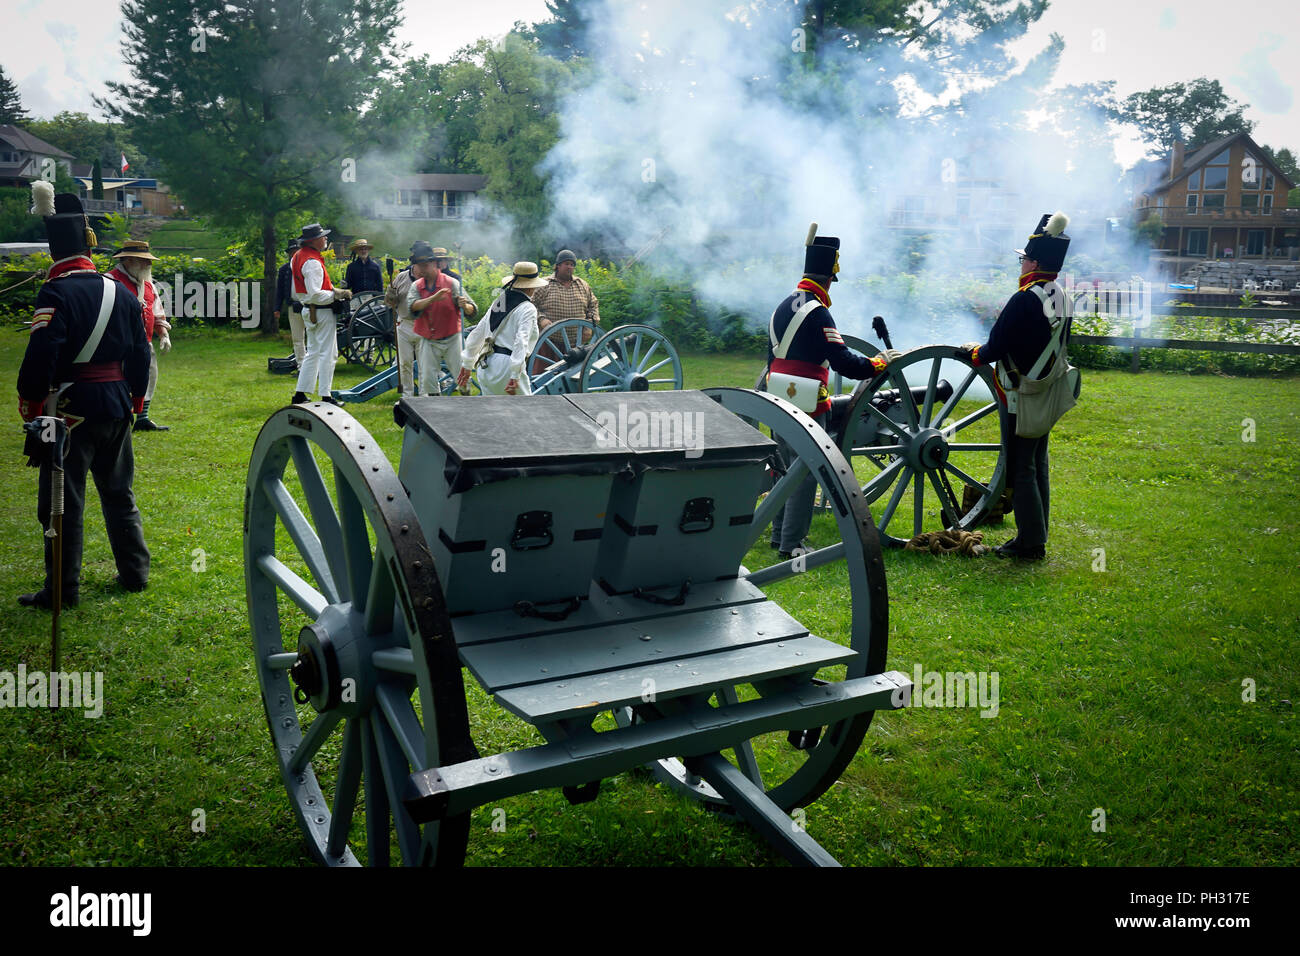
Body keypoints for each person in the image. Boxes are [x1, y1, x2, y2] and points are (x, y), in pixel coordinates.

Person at [16, 184, 151, 608]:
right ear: (88, 250)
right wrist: (135, 402)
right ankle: (135, 574)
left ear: (56, 253)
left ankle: (62, 591)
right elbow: (140, 354)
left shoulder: (56, 292)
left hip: (70, 410)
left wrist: (32, 401)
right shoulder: (123, 292)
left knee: (62, 503)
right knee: (119, 494)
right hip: (116, 404)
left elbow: (42, 354)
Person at [766, 225, 900, 559]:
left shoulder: (785, 305)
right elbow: (843, 361)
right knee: (806, 471)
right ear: (828, 279)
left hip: (776, 394)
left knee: (785, 467)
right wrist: (878, 365)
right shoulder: (817, 310)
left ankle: (778, 534)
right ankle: (792, 544)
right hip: (808, 400)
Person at [957, 212, 1072, 561]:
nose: (1021, 264)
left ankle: (1030, 544)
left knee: (1021, 468)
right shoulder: (1060, 296)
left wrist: (972, 353)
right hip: (1046, 390)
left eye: (1024, 259)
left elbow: (994, 347)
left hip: (1020, 394)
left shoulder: (1024, 298)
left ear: (1035, 261)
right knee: (1038, 463)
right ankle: (1036, 535)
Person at [106, 239, 173, 432]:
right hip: (118, 345)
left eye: (148, 260)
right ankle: (121, 417)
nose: (148, 264)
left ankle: (142, 417)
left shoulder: (148, 284)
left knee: (149, 376)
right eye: (143, 260)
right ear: (128, 260)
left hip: (144, 343)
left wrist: (163, 334)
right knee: (120, 379)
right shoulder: (110, 281)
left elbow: (156, 312)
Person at [458, 262, 545, 396]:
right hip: (507, 367)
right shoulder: (528, 308)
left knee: (494, 413)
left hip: (485, 365)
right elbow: (521, 340)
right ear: (531, 287)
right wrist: (515, 373)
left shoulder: (499, 301)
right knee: (525, 411)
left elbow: (479, 332)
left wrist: (468, 362)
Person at [290, 223, 350, 404]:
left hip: (309, 309)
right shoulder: (313, 262)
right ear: (313, 241)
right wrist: (336, 294)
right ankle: (326, 395)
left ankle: (300, 394)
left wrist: (332, 289)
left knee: (313, 352)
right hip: (322, 311)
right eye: (323, 236)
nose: (326, 239)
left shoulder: (297, 257)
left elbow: (300, 291)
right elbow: (315, 293)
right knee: (328, 354)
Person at [409, 244, 478, 396]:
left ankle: (468, 401)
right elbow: (413, 306)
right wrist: (433, 298)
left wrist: (464, 305)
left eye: (425, 266)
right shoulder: (416, 286)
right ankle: (436, 409)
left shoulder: (452, 283)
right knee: (427, 379)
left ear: (434, 264)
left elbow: (472, 309)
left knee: (462, 377)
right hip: (428, 338)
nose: (421, 270)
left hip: (452, 337)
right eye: (419, 266)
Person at [384, 243, 422, 395]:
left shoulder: (431, 278)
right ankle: (408, 395)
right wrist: (391, 296)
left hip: (424, 326)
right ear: (414, 262)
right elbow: (389, 302)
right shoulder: (401, 277)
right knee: (404, 362)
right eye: (421, 262)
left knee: (425, 364)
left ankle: (428, 395)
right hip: (405, 324)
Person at [532, 249, 599, 332]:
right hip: (548, 341)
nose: (569, 267)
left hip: (578, 342)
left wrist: (590, 325)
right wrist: (541, 319)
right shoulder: (544, 284)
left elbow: (593, 305)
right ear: (558, 266)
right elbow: (531, 305)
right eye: (566, 264)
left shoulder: (582, 285)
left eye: (572, 265)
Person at [275, 238, 304, 367]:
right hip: (293, 305)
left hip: (308, 305)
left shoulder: (306, 265)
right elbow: (279, 290)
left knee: (313, 338)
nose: (294, 253)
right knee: (297, 338)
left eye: (296, 250)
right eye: (292, 251)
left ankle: (313, 366)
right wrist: (277, 308)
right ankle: (301, 365)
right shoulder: (284, 270)